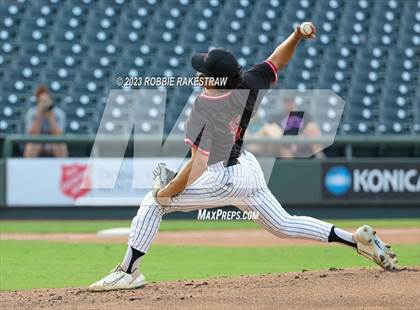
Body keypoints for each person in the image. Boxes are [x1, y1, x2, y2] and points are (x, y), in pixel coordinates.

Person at [89, 22, 397, 291]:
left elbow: (197, 167)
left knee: (152, 203)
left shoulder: (204, 109)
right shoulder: (248, 82)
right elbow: (277, 61)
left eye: (204, 71)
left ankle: (127, 272)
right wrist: (296, 36)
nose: (198, 74)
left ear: (216, 80)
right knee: (283, 225)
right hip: (248, 168)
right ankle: (354, 239)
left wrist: (166, 193)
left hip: (222, 175)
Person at [258, 96, 326, 158]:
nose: (289, 105)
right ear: (283, 104)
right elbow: (270, 130)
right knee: (284, 150)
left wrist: (300, 139)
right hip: (284, 144)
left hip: (302, 141)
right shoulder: (277, 117)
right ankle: (292, 169)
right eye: (287, 102)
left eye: (291, 102)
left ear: (294, 103)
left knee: (312, 127)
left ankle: (319, 156)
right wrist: (288, 143)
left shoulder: (304, 114)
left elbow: (312, 127)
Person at [23, 85, 68, 157]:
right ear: (38, 101)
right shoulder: (31, 113)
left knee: (60, 144)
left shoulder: (59, 113)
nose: (44, 104)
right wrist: (39, 115)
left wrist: (51, 117)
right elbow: (32, 135)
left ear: (51, 101)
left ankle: (61, 167)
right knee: (33, 143)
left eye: (46, 101)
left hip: (53, 142)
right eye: (42, 101)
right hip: (38, 142)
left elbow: (59, 135)